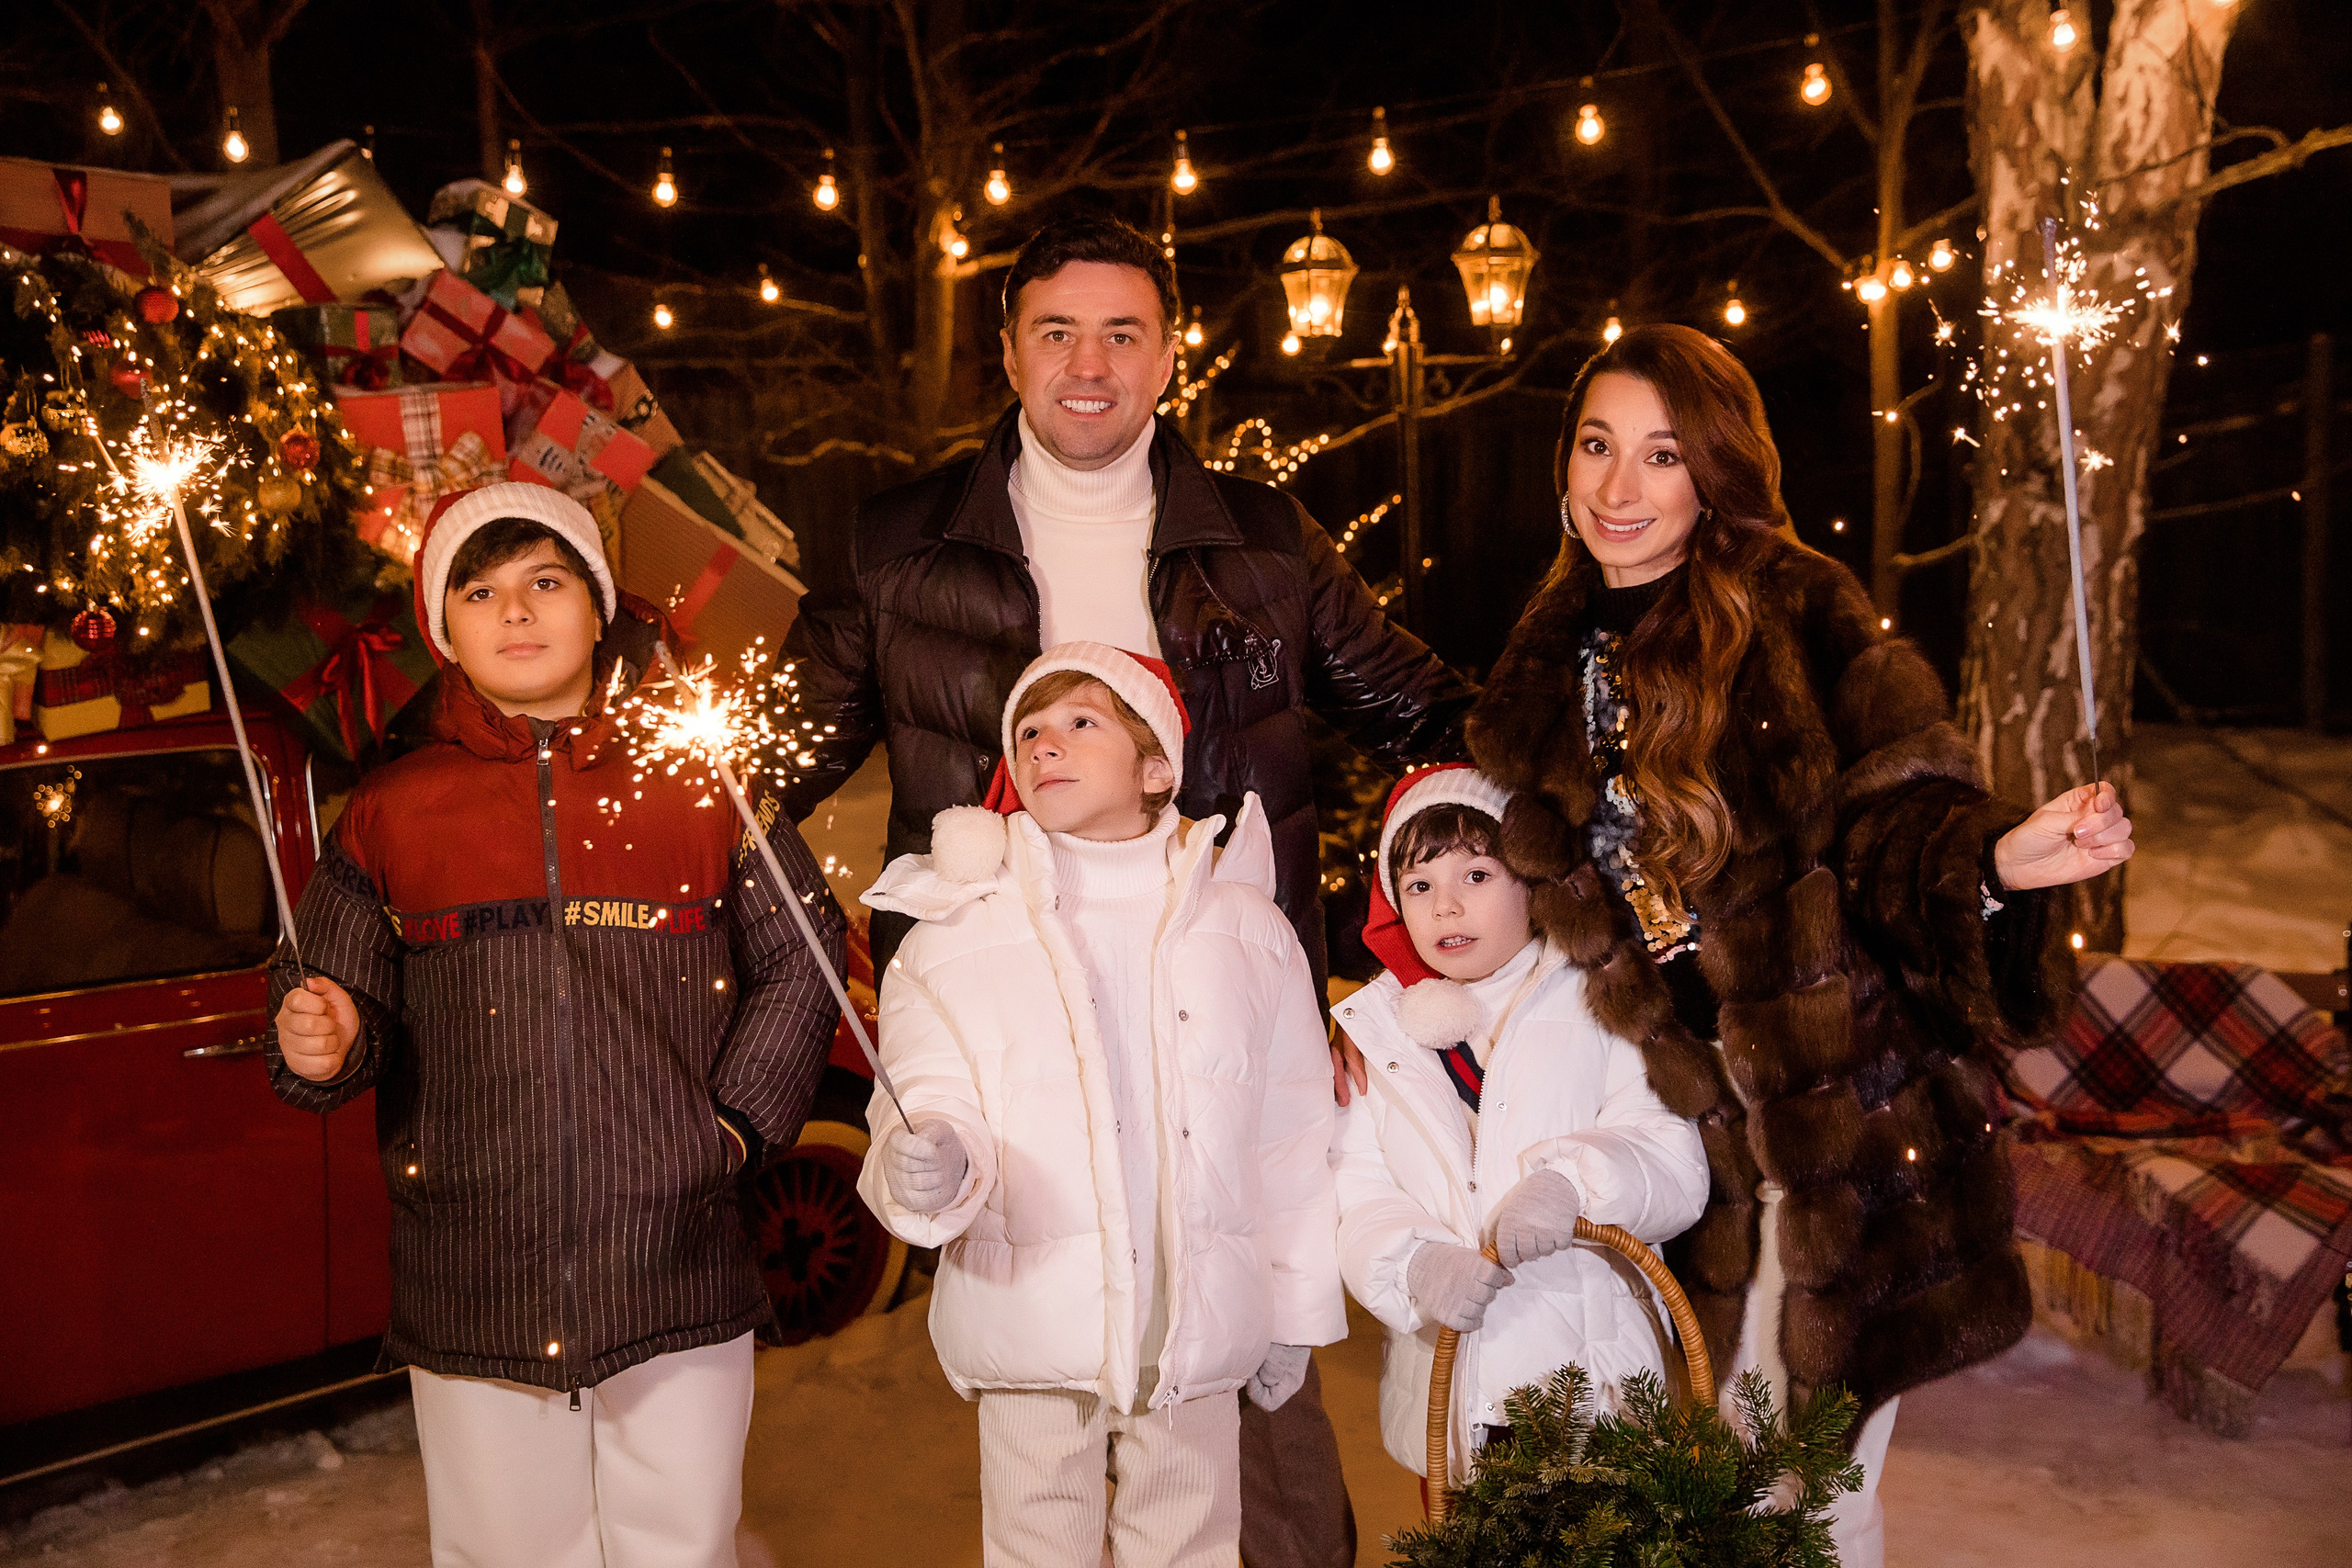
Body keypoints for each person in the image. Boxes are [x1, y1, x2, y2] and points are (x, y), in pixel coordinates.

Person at [779, 211, 1473, 1562]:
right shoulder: (900, 546)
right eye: (1056, 330)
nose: (1086, 362)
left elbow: (1426, 721)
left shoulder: (1263, 541)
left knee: (1240, 1410)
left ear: (1168, 356)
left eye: (1121, 332)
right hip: (1018, 1058)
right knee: (1041, 1407)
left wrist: (1423, 944)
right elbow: (757, 777)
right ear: (1009, 350)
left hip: (1209, 1035)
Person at [1466, 325, 2134, 1567]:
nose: (1619, 488)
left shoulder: (1796, 612)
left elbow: (1894, 814)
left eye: (1661, 456)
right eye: (1598, 446)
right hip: (1675, 1149)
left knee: (1808, 1505)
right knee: (1683, 1501)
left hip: (1843, 1138)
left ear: (1714, 469)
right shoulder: (1543, 664)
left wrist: (1996, 861)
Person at [267, 483, 846, 1568]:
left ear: (597, 609)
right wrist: (322, 1040)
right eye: (480, 591)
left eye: (546, 582)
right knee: (507, 1554)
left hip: (673, 1257)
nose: (517, 613)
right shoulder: (391, 811)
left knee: (680, 1545)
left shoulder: (703, 783)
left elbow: (800, 964)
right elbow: (333, 1013)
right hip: (476, 1270)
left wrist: (726, 1132)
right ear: (447, 631)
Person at [854, 642, 1344, 1568]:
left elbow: (1289, 1134)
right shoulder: (956, 933)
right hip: (1032, 1312)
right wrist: (934, 1159)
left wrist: (1295, 1310)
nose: (1045, 744)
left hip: (1193, 1321)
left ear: (1156, 765)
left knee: (1188, 1542)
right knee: (1039, 1546)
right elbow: (922, 1089)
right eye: (1028, 731)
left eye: (1081, 722)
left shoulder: (1247, 929)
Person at [1328, 763, 1709, 1487]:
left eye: (1475, 875)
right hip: (1454, 1404)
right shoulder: (1378, 1037)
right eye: (1419, 885)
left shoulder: (1601, 999)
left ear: (1529, 881)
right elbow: (1358, 1192)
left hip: (1596, 1394)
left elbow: (1671, 1157)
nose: (1445, 906)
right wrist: (1409, 1263)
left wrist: (1574, 1182)